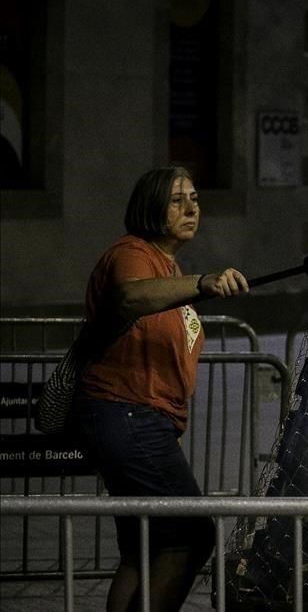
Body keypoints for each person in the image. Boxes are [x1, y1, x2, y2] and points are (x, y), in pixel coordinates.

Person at [71, 166, 249, 612]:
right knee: (189, 535)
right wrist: (203, 283)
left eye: (195, 198)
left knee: (145, 547)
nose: (191, 208)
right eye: (176, 200)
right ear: (150, 206)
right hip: (126, 412)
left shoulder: (168, 265)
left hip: (140, 419)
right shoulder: (132, 253)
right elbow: (131, 297)